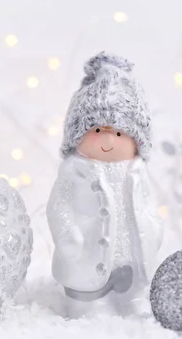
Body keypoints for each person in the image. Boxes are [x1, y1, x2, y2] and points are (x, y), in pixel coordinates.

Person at [46, 52, 163, 318]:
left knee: (136, 292)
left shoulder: (137, 171)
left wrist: (155, 227)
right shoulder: (73, 172)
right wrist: (67, 235)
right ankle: (88, 303)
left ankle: (131, 297)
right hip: (85, 254)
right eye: (97, 131)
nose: (108, 141)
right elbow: (58, 205)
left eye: (120, 133)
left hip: (133, 259)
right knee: (87, 290)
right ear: (77, 136)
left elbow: (149, 202)